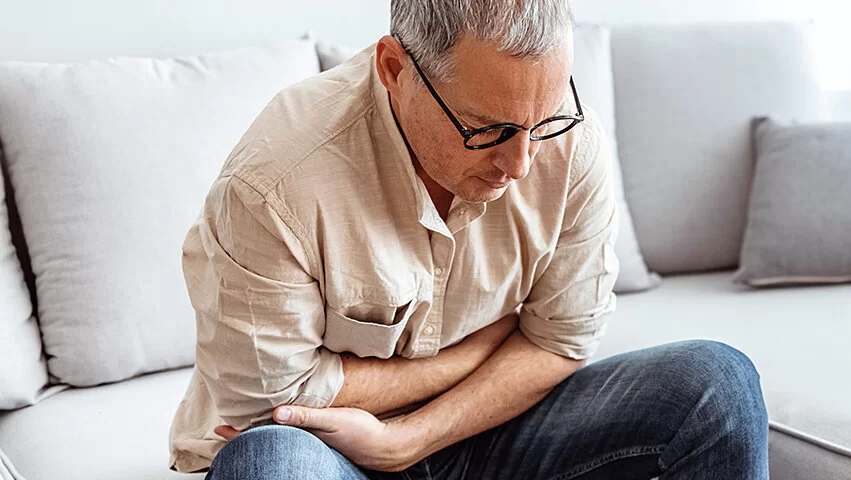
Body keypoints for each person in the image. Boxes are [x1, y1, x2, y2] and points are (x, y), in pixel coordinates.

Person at [167, 1, 768, 478]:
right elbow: (275, 403)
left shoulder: (568, 146)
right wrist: (484, 347)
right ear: (394, 70)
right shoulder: (274, 182)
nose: (522, 163)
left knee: (717, 382)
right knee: (269, 462)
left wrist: (410, 437)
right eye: (490, 129)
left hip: (491, 427)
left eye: (543, 121)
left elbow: (562, 341)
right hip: (331, 456)